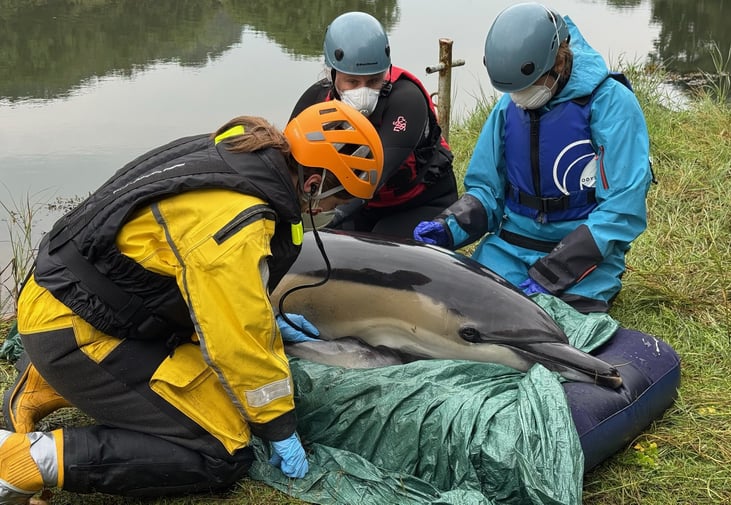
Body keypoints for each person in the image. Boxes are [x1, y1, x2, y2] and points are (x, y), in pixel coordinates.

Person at [0, 100, 383, 502]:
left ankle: (49, 382)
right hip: (78, 330)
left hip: (73, 303)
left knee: (214, 389)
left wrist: (268, 315)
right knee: (223, 447)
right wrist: (279, 428)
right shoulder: (237, 220)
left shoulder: (239, 150)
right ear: (313, 185)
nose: (327, 214)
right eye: (334, 204)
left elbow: (205, 281)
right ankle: (26, 460)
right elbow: (237, 342)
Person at [413, 2, 653, 314]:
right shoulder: (509, 106)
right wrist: (448, 226)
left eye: (529, 85)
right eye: (514, 90)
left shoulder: (610, 104)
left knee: (556, 328)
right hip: (511, 246)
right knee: (463, 312)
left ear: (558, 60)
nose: (521, 98)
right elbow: (487, 191)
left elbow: (621, 211)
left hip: (581, 252)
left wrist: (554, 272)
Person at [289, 11, 457, 238]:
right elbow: (289, 164)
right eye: (352, 81)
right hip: (361, 206)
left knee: (378, 246)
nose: (363, 91)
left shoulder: (406, 100)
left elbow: (372, 178)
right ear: (332, 73)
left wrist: (324, 217)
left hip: (421, 203)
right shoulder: (317, 99)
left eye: (374, 80)